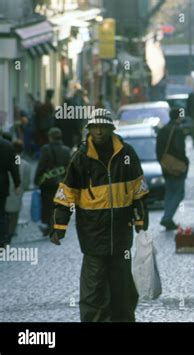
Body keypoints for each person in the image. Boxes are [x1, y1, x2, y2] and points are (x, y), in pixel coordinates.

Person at [49, 108, 149, 322]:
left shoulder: (127, 154)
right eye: (95, 128)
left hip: (121, 236)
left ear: (111, 128)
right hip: (93, 236)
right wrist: (59, 227)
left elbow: (138, 190)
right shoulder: (81, 158)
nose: (99, 132)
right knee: (93, 289)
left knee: (122, 288)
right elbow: (66, 194)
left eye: (103, 127)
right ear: (90, 130)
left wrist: (141, 219)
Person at [34, 128, 71, 236]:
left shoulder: (46, 149)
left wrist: (36, 179)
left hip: (48, 183)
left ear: (50, 137)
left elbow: (41, 165)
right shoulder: (66, 150)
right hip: (62, 182)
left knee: (47, 205)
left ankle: (49, 226)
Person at [156, 108, 189, 231]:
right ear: (178, 117)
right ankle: (167, 217)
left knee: (169, 192)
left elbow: (158, 149)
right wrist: (184, 162)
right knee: (178, 193)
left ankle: (167, 216)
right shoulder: (178, 130)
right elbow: (180, 149)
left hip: (165, 165)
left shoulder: (163, 129)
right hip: (177, 165)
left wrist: (162, 162)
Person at [5, 140, 31, 241]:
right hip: (17, 191)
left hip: (6, 190)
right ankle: (10, 233)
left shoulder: (6, 160)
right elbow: (26, 182)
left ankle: (5, 233)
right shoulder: (25, 164)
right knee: (14, 214)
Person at [0, 135, 21, 248]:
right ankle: (2, 239)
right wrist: (17, 183)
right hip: (2, 184)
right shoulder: (8, 146)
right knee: (1, 213)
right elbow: (15, 165)